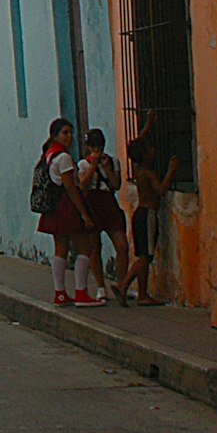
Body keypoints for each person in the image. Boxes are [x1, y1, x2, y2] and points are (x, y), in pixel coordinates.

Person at [34, 117, 102, 306]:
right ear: (55, 135)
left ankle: (60, 292)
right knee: (84, 247)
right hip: (67, 206)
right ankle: (81, 292)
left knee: (61, 248)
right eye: (65, 132)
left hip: (56, 207)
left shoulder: (48, 154)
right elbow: (71, 187)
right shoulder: (63, 157)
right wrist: (83, 214)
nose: (69, 136)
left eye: (71, 132)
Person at [122, 118, 180, 306]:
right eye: (150, 149)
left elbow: (138, 141)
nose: (153, 150)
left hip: (140, 213)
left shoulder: (137, 168)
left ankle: (142, 294)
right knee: (145, 257)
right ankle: (124, 286)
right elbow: (162, 190)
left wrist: (147, 125)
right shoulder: (148, 172)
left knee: (143, 255)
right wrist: (171, 170)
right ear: (146, 155)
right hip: (148, 214)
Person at [77, 129, 129, 304]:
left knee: (122, 246)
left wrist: (106, 167)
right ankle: (100, 287)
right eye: (93, 146)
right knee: (94, 247)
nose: (97, 149)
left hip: (108, 203)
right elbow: (83, 185)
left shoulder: (113, 161)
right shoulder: (83, 164)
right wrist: (93, 165)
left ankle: (122, 285)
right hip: (92, 203)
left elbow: (116, 184)